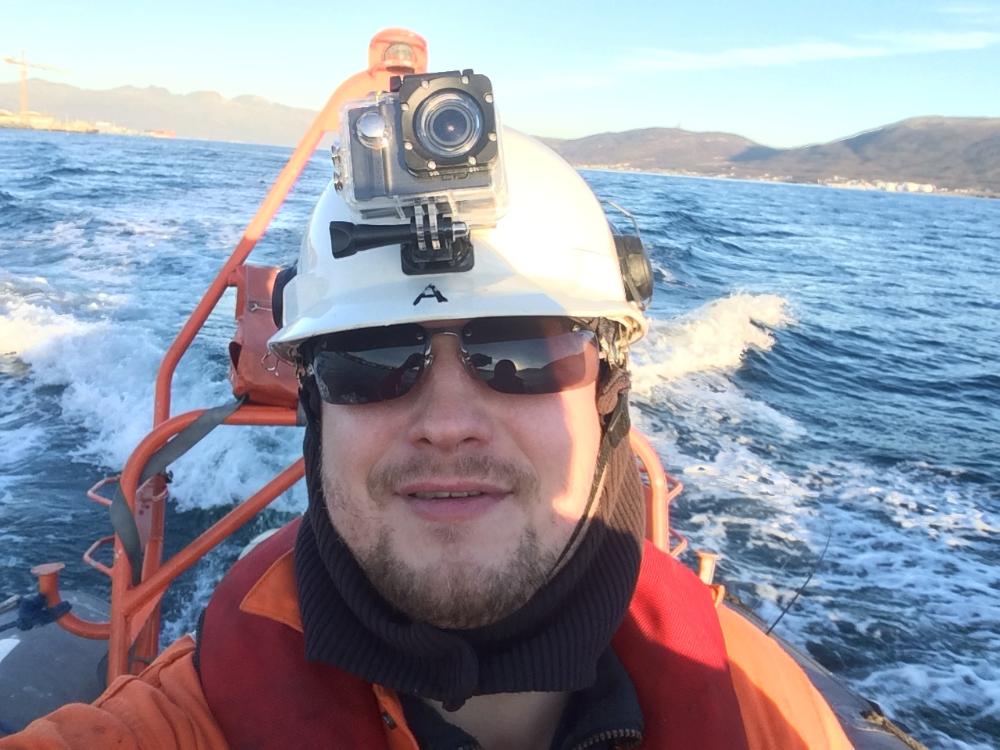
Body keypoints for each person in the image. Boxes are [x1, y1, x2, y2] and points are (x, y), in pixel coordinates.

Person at [0, 125, 853, 749]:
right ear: (314, 406)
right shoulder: (169, 728)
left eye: (522, 354)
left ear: (608, 392)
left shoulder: (767, 712)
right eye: (369, 360)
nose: (447, 423)